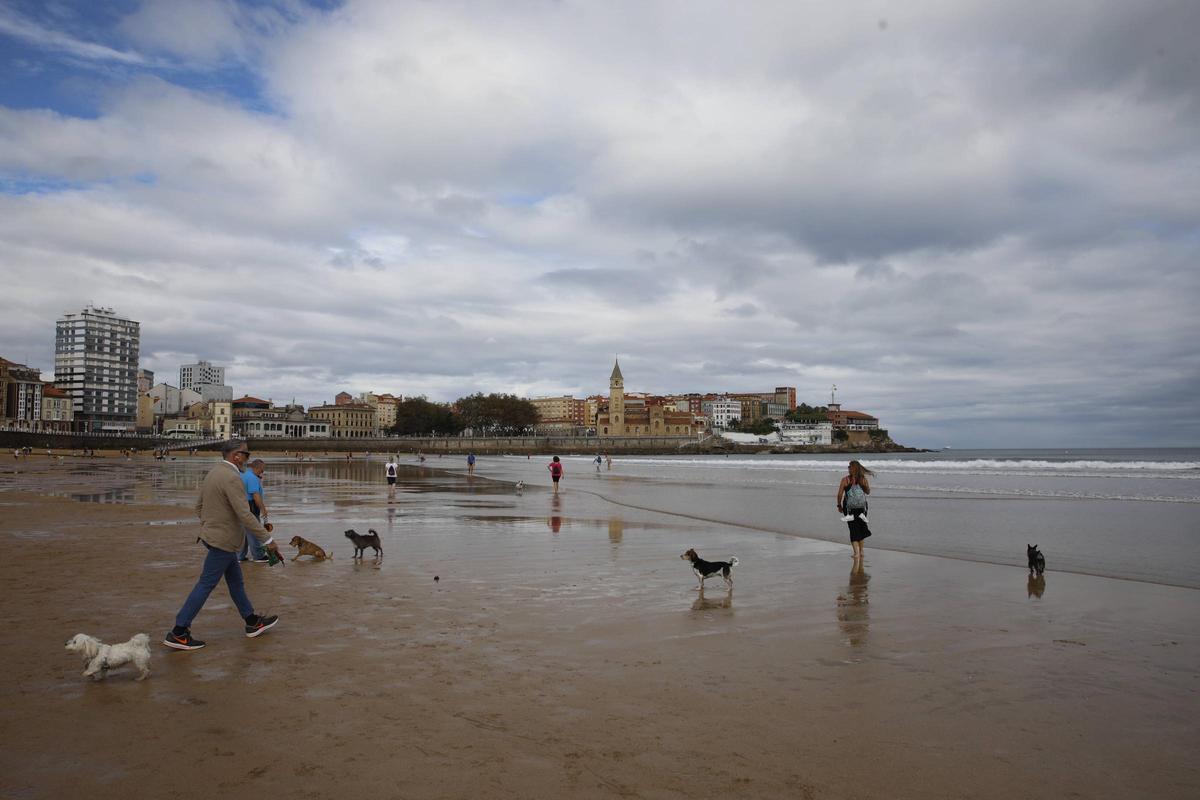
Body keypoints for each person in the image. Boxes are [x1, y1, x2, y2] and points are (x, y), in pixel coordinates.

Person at [163, 441, 281, 651]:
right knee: (206, 584)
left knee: (236, 582)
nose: (248, 458)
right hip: (223, 541)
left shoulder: (214, 473)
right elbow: (244, 514)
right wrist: (267, 540)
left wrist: (211, 524)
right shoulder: (232, 478)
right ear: (236, 456)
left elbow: (198, 507)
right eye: (246, 454)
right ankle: (179, 631)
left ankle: (252, 621)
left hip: (213, 536)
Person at [836, 460, 874, 559]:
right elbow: (868, 492)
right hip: (862, 507)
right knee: (861, 527)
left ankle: (856, 553)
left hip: (849, 509)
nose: (848, 468)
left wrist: (839, 505)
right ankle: (861, 552)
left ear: (852, 468)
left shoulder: (845, 480)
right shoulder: (863, 479)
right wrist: (864, 486)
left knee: (853, 528)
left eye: (849, 466)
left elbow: (840, 494)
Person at [239, 458, 270, 562]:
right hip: (251, 506)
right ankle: (259, 556)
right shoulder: (252, 478)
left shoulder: (244, 475)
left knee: (244, 533)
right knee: (254, 531)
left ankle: (239, 556)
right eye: (263, 468)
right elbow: (255, 496)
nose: (263, 471)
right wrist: (263, 509)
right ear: (258, 467)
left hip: (241, 506)